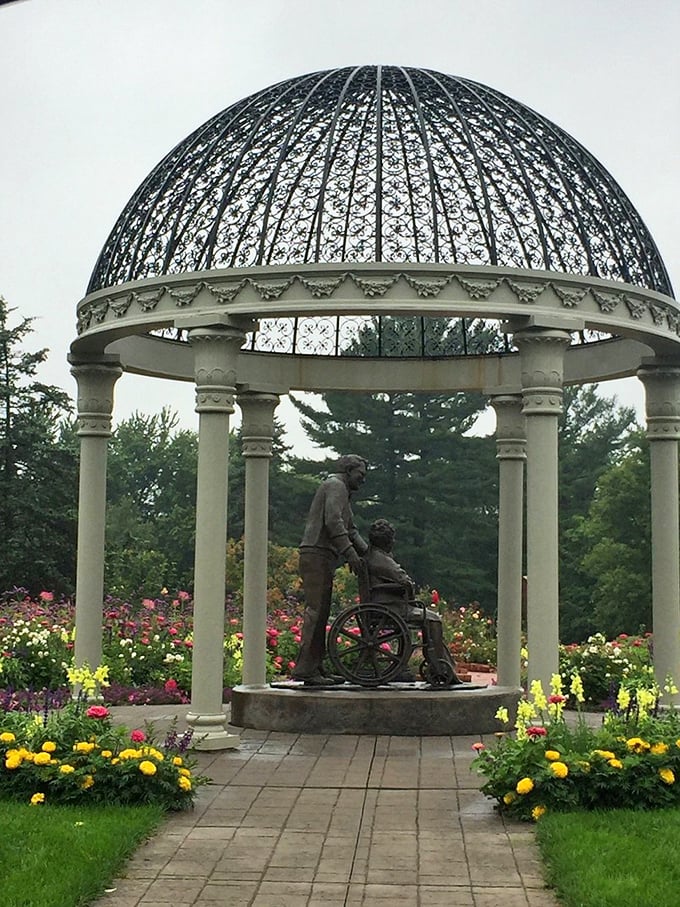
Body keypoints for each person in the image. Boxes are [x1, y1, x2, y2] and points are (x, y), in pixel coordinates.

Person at [291, 454, 369, 685]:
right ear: (348, 471)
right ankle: (305, 669)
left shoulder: (342, 490)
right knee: (316, 611)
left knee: (322, 612)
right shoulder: (335, 486)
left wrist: (371, 554)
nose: (363, 480)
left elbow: (351, 529)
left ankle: (315, 665)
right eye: (360, 474)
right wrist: (351, 554)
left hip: (323, 554)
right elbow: (333, 522)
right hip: (316, 553)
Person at [364, 518, 462, 684]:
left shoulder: (375, 556)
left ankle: (439, 663)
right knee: (433, 619)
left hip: (386, 603)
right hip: (392, 606)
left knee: (430, 617)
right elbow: (404, 580)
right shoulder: (382, 560)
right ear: (388, 541)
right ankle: (439, 666)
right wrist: (409, 590)